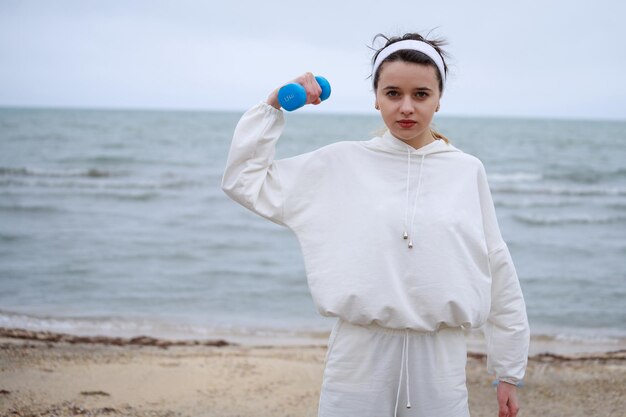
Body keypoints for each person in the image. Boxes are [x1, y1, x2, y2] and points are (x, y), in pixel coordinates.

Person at [222, 32, 530, 417]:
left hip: (440, 361)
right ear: (376, 96)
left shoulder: (466, 172)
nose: (406, 107)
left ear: (439, 98)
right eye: (392, 93)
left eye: (420, 94)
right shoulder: (341, 164)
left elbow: (496, 266)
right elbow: (244, 181)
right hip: (358, 357)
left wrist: (508, 370)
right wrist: (273, 107)